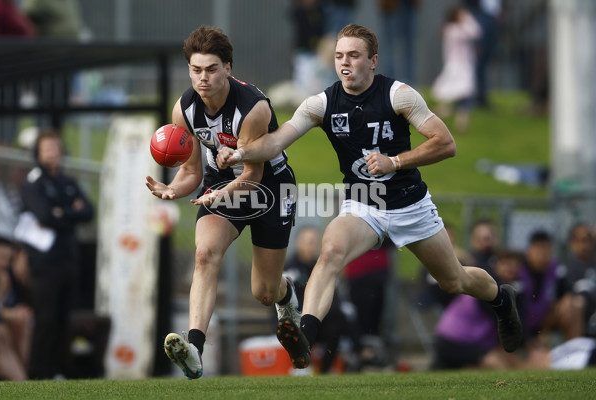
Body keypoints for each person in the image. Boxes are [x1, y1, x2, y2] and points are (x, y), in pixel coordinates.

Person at [215, 24, 523, 369]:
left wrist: (395, 161)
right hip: (364, 201)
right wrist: (239, 154)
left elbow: (446, 143)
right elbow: (274, 142)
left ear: (373, 60)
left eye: (354, 56)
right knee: (330, 251)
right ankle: (305, 336)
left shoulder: (399, 95)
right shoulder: (321, 103)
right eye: (338, 56)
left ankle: (501, 299)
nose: (345, 63)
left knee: (455, 280)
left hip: (411, 204)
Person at [145, 25, 300, 380]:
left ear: (228, 68)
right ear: (189, 70)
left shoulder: (253, 109)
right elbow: (191, 171)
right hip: (221, 183)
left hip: (269, 188)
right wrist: (173, 189)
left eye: (212, 69)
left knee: (264, 291)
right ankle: (195, 346)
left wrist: (220, 193)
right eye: (196, 70)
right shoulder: (183, 109)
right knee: (204, 253)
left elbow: (253, 175)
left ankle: (286, 294)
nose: (203, 78)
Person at [19, 129, 94, 379]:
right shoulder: (33, 182)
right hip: (44, 263)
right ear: (37, 153)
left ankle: (60, 369)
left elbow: (88, 212)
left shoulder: (67, 181)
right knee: (46, 319)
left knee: (65, 318)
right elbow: (44, 216)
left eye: (56, 147)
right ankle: (38, 372)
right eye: (47, 148)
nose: (53, 153)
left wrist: (63, 214)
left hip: (69, 259)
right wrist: (68, 212)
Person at [433, 249, 526, 369]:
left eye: (514, 266)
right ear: (497, 265)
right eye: (505, 264)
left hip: (458, 341)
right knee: (497, 363)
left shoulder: (502, 288)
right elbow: (503, 321)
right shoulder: (490, 290)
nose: (510, 269)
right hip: (453, 341)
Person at [284, 225, 359, 373]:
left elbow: (332, 295)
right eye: (309, 242)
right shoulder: (289, 268)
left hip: (321, 320)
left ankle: (326, 369)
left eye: (315, 242)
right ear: (299, 243)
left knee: (338, 319)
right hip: (296, 317)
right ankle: (303, 364)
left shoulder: (319, 266)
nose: (313, 246)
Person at [518, 230, 584, 353]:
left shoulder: (554, 267)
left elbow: (567, 289)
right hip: (523, 323)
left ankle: (575, 353)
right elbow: (516, 310)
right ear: (529, 251)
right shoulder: (518, 271)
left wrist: (568, 297)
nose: (543, 254)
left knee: (574, 304)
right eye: (539, 249)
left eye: (547, 249)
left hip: (544, 319)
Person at [431, 5, 481, 133]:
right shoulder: (453, 30)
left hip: (463, 67)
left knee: (462, 98)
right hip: (458, 68)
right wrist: (468, 19)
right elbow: (475, 32)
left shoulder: (453, 29)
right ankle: (433, 116)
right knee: (460, 96)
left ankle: (459, 122)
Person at [0, 236, 32, 381]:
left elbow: (6, 305)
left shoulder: (4, 277)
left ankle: (22, 374)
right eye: (1, 257)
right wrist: (7, 313)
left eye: (9, 259)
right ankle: (19, 380)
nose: (5, 263)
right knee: (0, 332)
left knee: (23, 323)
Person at [561, 223, 596, 336]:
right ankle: (576, 348)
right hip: (579, 310)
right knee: (577, 303)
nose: (585, 245)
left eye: (588, 240)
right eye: (580, 240)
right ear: (572, 243)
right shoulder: (567, 267)